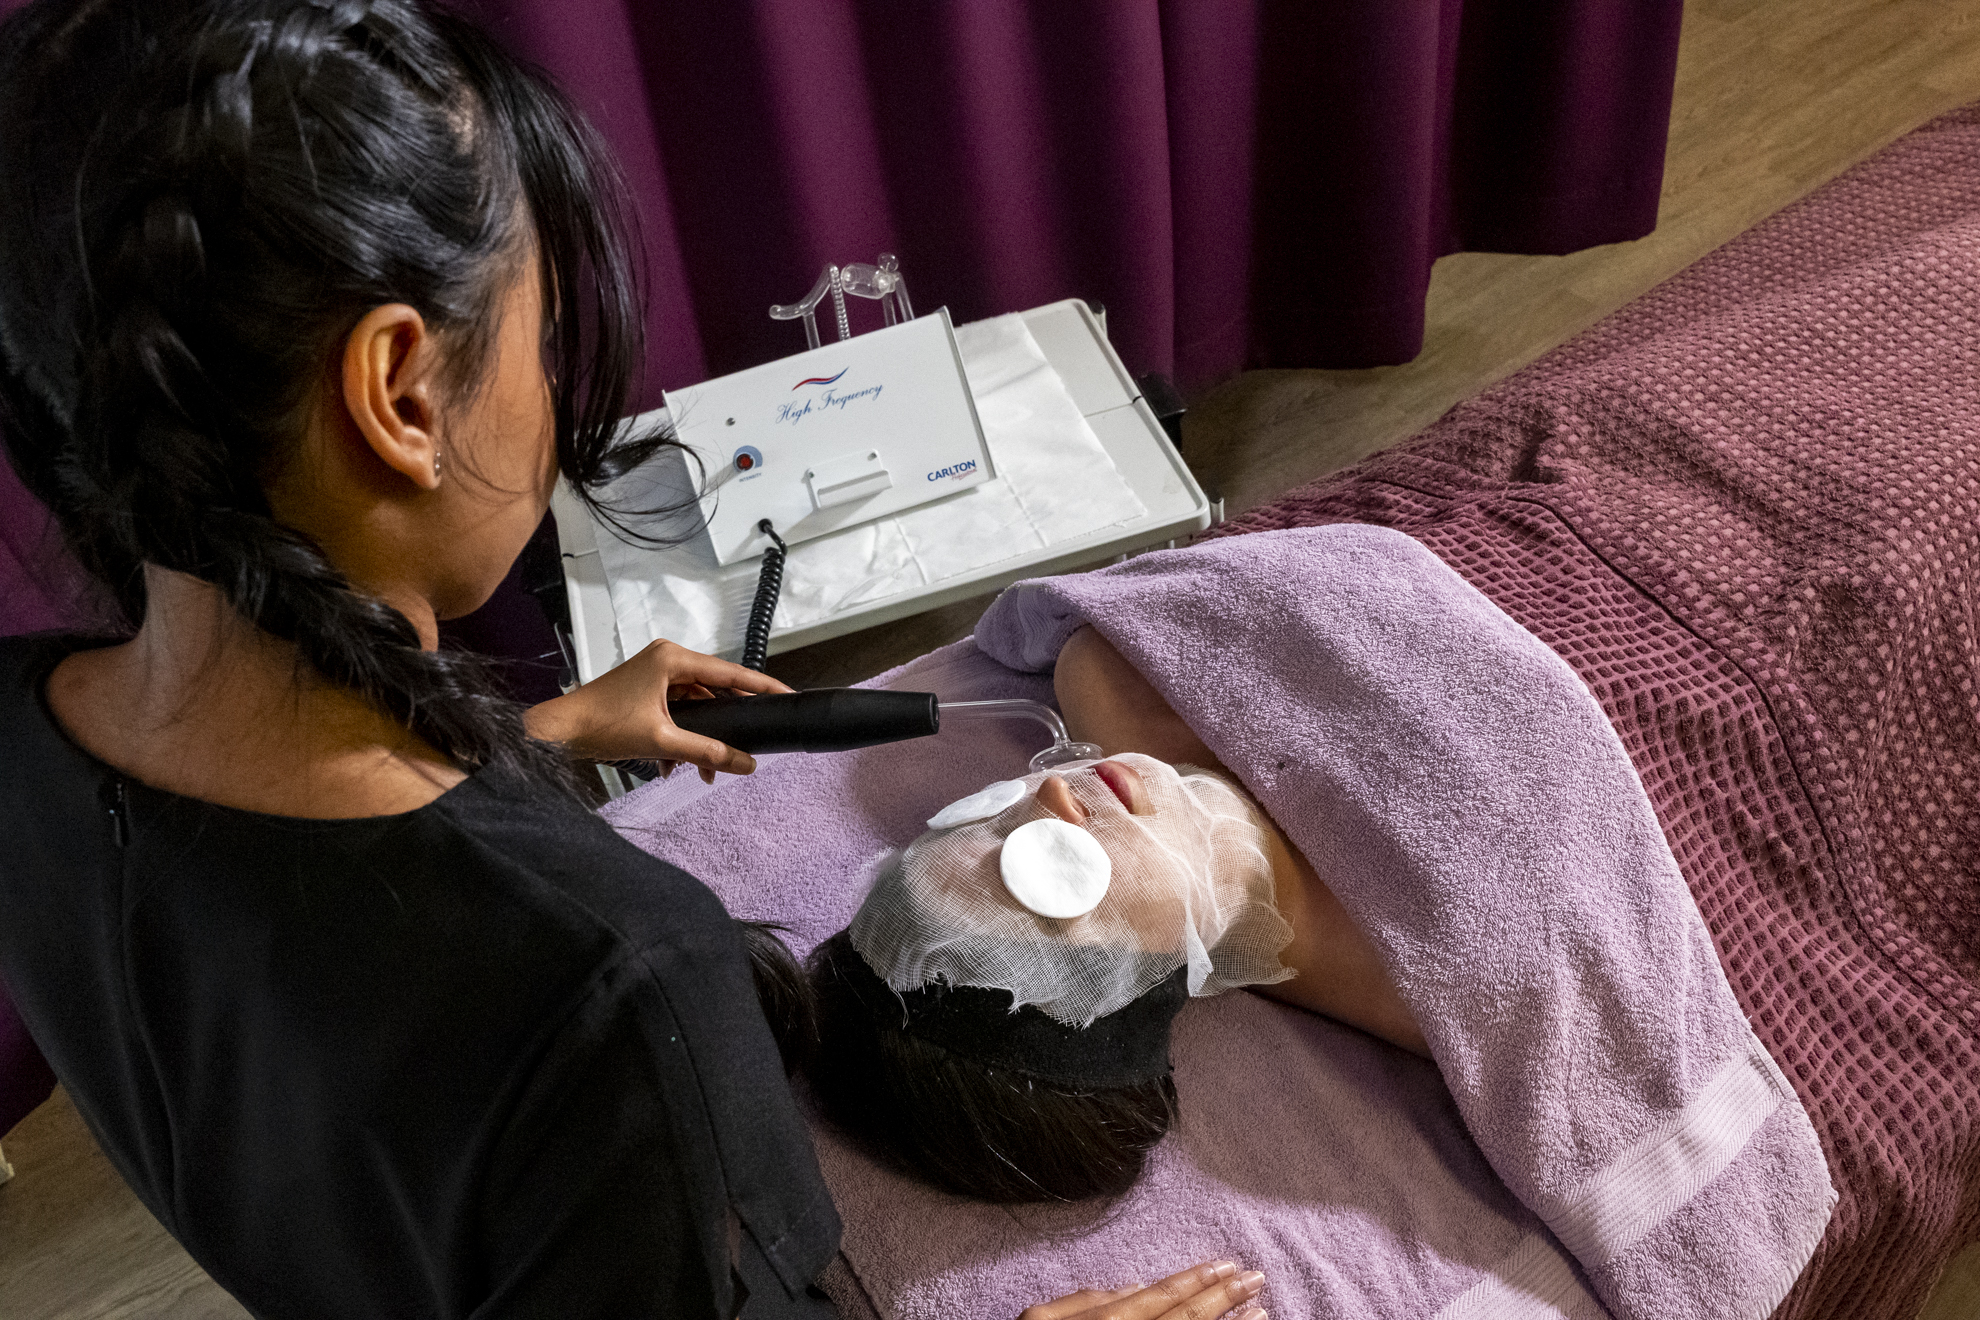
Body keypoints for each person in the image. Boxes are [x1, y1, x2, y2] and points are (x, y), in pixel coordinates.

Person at [0, 3, 1269, 1318]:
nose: (555, 391)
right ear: (400, 396)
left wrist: (536, 741)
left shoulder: (29, 729)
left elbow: (290, 926)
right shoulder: (622, 991)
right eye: (540, 338)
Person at [793, 624, 1428, 1204]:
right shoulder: (1462, 992)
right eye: (1046, 867)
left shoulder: (1105, 672)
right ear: (1126, 992)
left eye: (980, 817)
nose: (1050, 792)